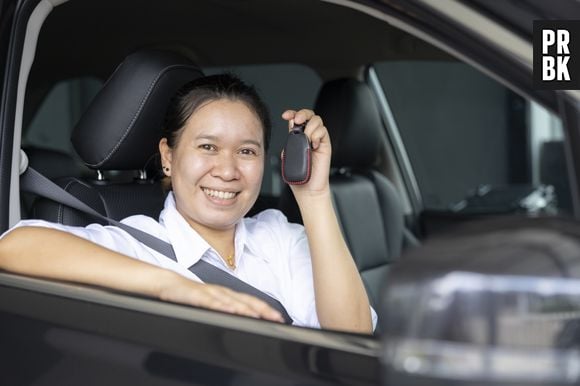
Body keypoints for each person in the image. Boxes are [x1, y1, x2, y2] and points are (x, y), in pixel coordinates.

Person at [0, 74, 375, 332]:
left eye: (246, 151)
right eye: (207, 147)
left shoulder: (278, 236)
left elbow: (352, 335)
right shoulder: (138, 244)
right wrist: (174, 287)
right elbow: (13, 248)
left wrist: (314, 196)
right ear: (168, 155)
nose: (227, 171)